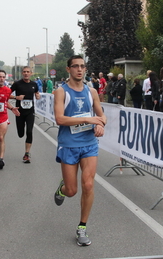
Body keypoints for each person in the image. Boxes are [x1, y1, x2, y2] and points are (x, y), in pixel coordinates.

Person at [53, 55, 106, 246]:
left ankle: (82, 227)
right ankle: (62, 188)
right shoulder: (61, 92)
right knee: (72, 191)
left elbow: (102, 116)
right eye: (75, 66)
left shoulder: (91, 91)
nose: (79, 70)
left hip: (89, 143)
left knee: (89, 185)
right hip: (69, 144)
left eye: (82, 66)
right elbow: (60, 119)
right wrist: (88, 120)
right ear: (68, 69)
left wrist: (100, 125)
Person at [10, 66, 40, 163]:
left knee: (29, 132)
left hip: (30, 111)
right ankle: (21, 132)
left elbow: (36, 92)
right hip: (19, 112)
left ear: (31, 73)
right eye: (24, 72)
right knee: (20, 133)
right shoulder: (17, 84)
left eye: (28, 72)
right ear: (22, 73)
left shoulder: (34, 84)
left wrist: (37, 95)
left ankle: (27, 154)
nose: (26, 73)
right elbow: (7, 94)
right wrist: (16, 97)